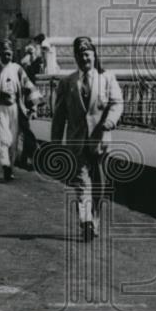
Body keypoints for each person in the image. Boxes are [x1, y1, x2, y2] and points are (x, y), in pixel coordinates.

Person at [50, 36, 123, 241]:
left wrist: (110, 121)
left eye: (87, 54)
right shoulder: (67, 82)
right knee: (82, 183)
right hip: (76, 141)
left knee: (99, 184)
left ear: (94, 55)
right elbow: (59, 115)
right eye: (80, 54)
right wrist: (55, 143)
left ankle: (95, 217)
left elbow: (117, 103)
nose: (84, 58)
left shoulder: (107, 78)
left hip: (100, 140)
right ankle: (86, 221)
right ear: (75, 57)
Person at [0, 39, 42, 181]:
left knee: (14, 139)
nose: (7, 56)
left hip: (15, 109)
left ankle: (10, 168)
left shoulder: (17, 68)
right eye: (4, 53)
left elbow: (28, 85)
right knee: (4, 138)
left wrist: (33, 106)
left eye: (9, 54)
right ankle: (4, 165)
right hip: (0, 109)